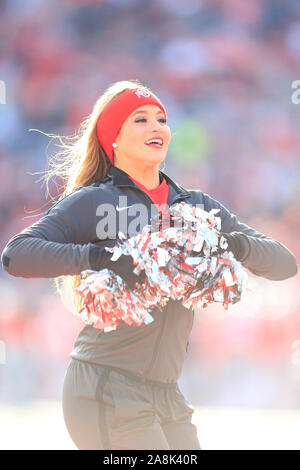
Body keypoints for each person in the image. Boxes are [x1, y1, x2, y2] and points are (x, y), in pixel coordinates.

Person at [1, 79, 297, 450]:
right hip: (105, 386)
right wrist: (104, 259)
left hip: (167, 394)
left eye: (161, 118)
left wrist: (225, 244)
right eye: (140, 120)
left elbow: (284, 264)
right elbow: (17, 254)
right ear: (114, 138)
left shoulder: (197, 207)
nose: (156, 126)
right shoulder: (94, 202)